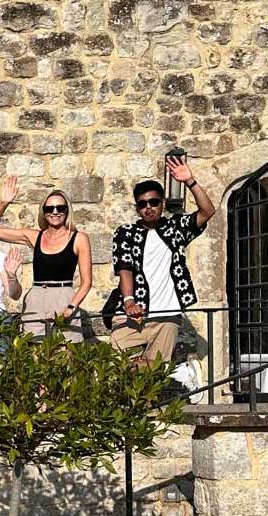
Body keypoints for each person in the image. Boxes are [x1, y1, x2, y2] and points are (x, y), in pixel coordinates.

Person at [111, 154, 215, 397]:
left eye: (153, 202)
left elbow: (207, 211)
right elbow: (124, 268)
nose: (148, 207)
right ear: (137, 207)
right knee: (113, 356)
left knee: (153, 370)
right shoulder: (125, 233)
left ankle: (147, 411)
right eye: (142, 204)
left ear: (162, 203)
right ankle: (179, 372)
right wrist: (129, 301)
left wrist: (190, 181)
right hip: (137, 314)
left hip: (168, 314)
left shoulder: (175, 228)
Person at [0, 177, 93, 342]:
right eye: (49, 208)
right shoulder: (34, 236)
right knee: (33, 349)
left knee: (68, 349)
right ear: (43, 212)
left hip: (64, 296)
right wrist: (3, 203)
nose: (55, 212)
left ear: (67, 211)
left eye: (60, 208)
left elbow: (86, 282)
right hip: (36, 297)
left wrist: (71, 307)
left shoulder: (79, 238)